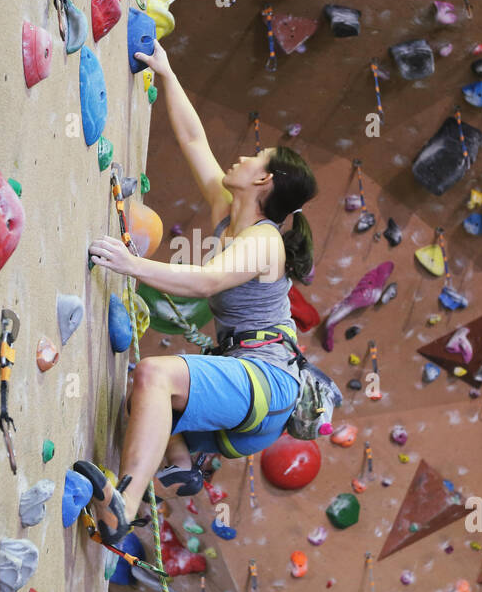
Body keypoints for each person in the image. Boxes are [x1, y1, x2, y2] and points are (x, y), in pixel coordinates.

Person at [78, 41, 317, 544]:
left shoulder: (264, 241)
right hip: (255, 394)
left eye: (257, 155)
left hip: (267, 382)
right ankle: (179, 463)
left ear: (264, 179)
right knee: (139, 402)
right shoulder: (229, 212)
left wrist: (131, 265)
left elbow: (207, 282)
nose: (244, 154)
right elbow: (192, 138)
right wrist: (166, 74)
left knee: (154, 373)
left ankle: (125, 501)